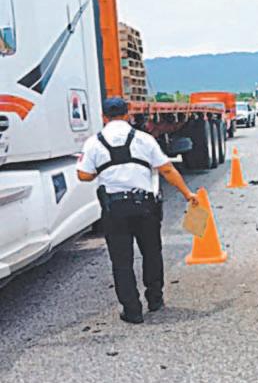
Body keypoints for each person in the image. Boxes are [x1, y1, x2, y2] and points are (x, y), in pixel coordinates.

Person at [77, 98, 199, 324]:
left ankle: (132, 311)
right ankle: (155, 299)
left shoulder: (93, 143)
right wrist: (187, 194)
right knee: (152, 252)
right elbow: (167, 169)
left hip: (114, 208)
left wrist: (102, 170)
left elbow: (83, 175)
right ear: (127, 114)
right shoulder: (144, 139)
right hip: (145, 206)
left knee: (121, 261)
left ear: (104, 116)